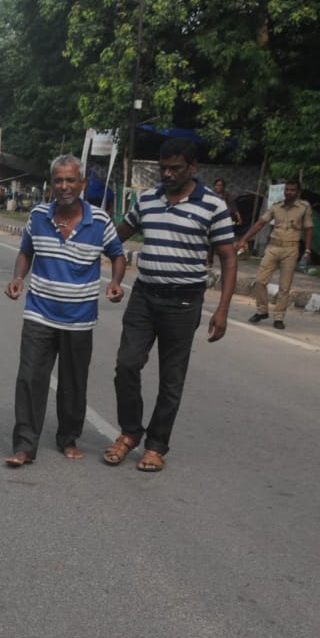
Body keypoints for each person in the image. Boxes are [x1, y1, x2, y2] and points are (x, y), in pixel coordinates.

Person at [102, 137, 237, 473]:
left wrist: (222, 310)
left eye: (175, 168)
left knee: (171, 378)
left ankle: (156, 446)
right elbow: (118, 236)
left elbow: (228, 258)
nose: (167, 174)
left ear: (192, 168)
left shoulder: (213, 205)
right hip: (144, 296)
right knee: (127, 364)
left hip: (184, 301)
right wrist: (87, 249)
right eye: (163, 168)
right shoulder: (148, 199)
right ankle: (129, 432)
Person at [3, 155, 125, 467]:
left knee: (73, 383)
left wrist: (116, 282)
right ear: (51, 184)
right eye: (58, 180)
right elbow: (26, 251)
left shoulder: (99, 221)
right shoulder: (38, 216)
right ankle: (24, 446)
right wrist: (18, 278)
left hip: (79, 319)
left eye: (71, 180)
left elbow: (118, 254)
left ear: (82, 184)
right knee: (30, 378)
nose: (64, 186)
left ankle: (68, 439)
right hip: (39, 312)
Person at [235, 179, 314, 330]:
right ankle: (262, 310)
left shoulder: (304, 207)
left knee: (284, 287)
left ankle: (279, 317)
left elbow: (309, 229)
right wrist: (244, 239)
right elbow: (261, 223)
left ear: (298, 192)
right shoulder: (276, 206)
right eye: (287, 190)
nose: (289, 193)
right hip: (273, 247)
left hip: (291, 249)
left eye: (292, 190)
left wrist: (307, 251)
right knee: (260, 280)